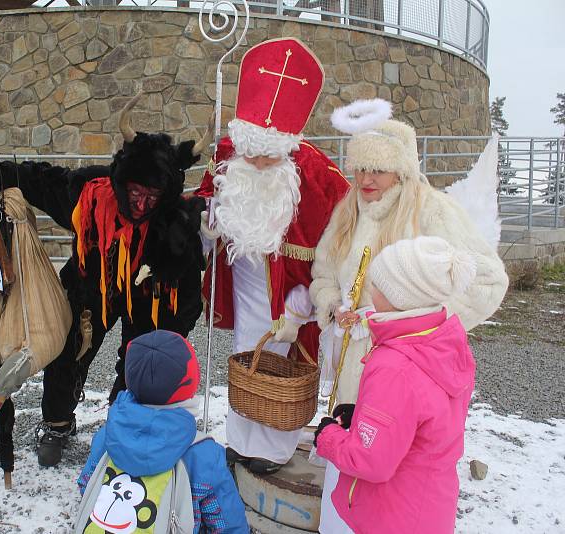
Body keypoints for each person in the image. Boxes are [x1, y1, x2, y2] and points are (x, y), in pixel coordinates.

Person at [0, 93, 210, 467]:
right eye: (135, 193)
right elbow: (43, 182)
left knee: (145, 361)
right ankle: (57, 425)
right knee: (68, 351)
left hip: (149, 297)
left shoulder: (177, 221)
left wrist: (172, 330)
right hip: (91, 287)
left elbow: (188, 289)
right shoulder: (91, 193)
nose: (141, 205)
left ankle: (126, 423)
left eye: (152, 197)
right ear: (122, 182)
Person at [309, 98, 508, 533]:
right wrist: (331, 305)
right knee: (354, 452)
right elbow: (323, 271)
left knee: (395, 471)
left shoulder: (431, 210)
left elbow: (488, 281)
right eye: (359, 168)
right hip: (351, 363)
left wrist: (421, 325)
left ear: (400, 170)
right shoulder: (349, 209)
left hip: (405, 369)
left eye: (377, 170)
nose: (365, 179)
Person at [196, 37, 350, 474]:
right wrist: (205, 229)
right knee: (247, 355)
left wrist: (300, 310)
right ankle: (242, 438)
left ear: (286, 145)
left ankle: (273, 448)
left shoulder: (318, 177)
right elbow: (201, 210)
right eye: (251, 153)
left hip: (290, 296)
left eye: (269, 156)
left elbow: (334, 254)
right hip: (244, 284)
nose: (258, 164)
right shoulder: (228, 158)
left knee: (281, 367)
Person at [313, 236, 478, 534]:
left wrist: (328, 436)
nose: (371, 291)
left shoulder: (394, 366)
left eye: (377, 285)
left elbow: (370, 460)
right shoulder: (444, 344)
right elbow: (425, 419)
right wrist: (365, 414)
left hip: (388, 517)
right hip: (428, 509)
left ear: (399, 297)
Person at [76, 330, 249, 533]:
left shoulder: (108, 436)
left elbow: (87, 486)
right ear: (190, 384)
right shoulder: (204, 455)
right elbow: (226, 524)